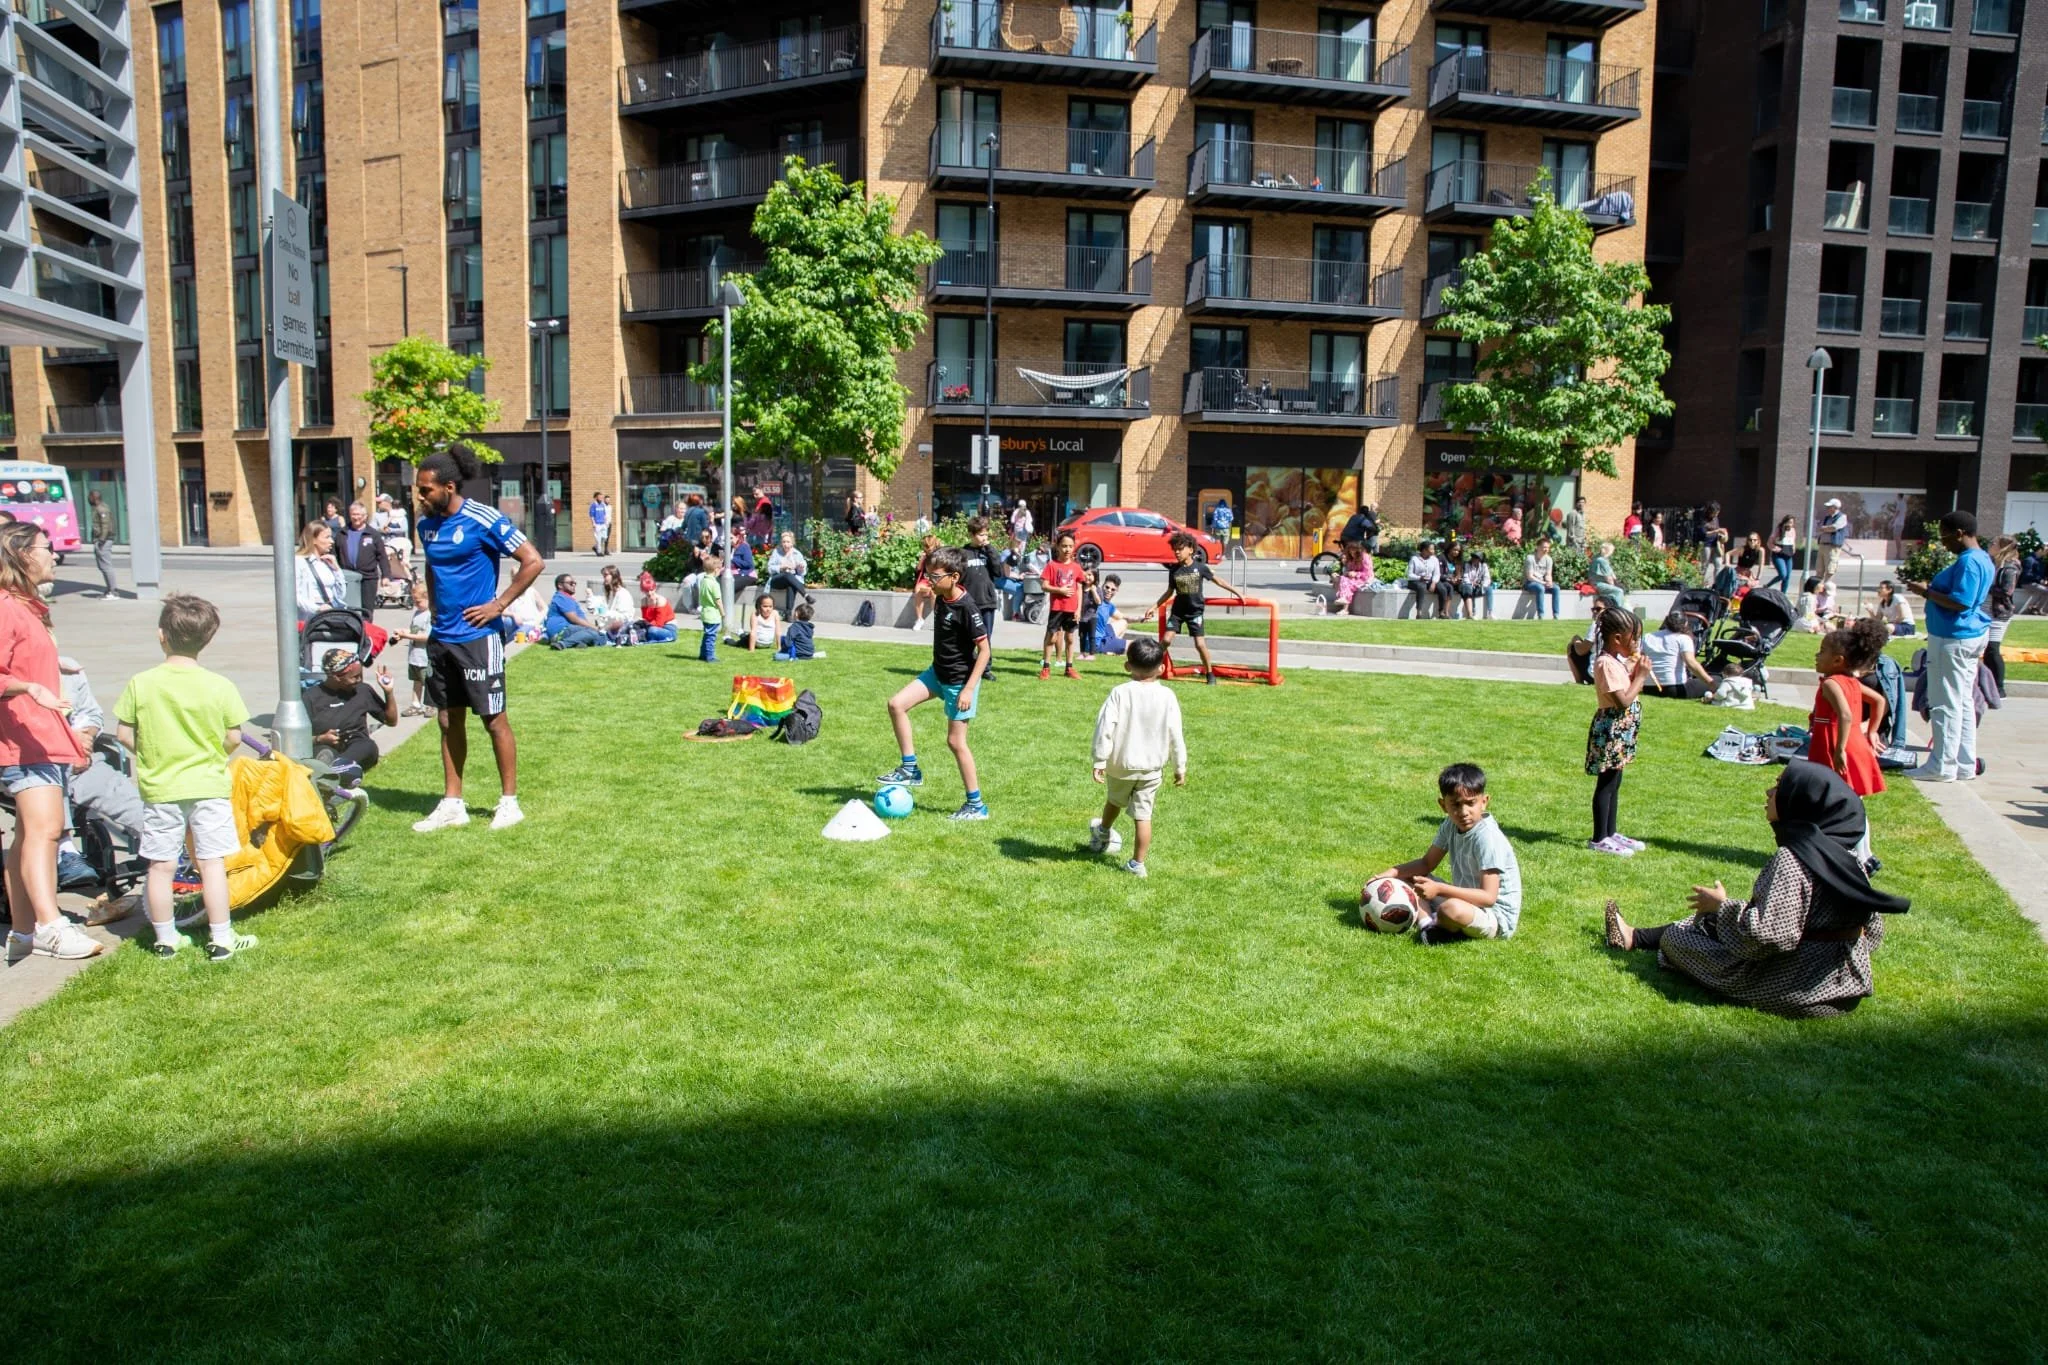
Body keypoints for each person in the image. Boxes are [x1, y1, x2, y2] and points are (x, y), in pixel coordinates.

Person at [1603, 763, 1908, 1017]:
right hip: (1845, 990)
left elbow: (1767, 938)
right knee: (1705, 925)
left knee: (1678, 938)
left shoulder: (1793, 860)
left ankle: (1640, 938)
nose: (1769, 792)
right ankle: (1634, 936)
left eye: (1778, 787)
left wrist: (1722, 907)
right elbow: (1873, 933)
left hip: (1796, 991)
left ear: (1799, 800)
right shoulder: (1848, 858)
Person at [112, 593, 257, 962]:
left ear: (161, 635)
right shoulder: (219, 685)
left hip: (161, 786)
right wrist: (212, 754)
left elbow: (124, 734)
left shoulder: (141, 683)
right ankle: (222, 938)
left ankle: (165, 939)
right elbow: (234, 736)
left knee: (160, 865)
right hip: (208, 784)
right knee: (211, 864)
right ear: (208, 639)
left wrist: (152, 753)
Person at [411, 444, 545, 834]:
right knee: (447, 720)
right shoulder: (427, 525)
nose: (420, 497)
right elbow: (433, 570)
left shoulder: (482, 518)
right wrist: (434, 607)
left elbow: (533, 560)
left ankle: (509, 803)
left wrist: (499, 605)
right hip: (443, 637)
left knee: (493, 720)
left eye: (426, 490)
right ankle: (453, 803)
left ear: (448, 487)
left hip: (478, 639)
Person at [0, 524, 101, 962]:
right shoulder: (6, 606)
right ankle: (50, 926)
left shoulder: (26, 607)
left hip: (36, 736)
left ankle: (23, 932)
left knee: (26, 837)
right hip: (23, 739)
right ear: (22, 555)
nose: (54, 556)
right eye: (47, 548)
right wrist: (29, 688)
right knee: (46, 831)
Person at [878, 547, 990, 820]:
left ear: (953, 577)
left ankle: (976, 805)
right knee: (896, 704)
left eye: (934, 576)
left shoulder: (967, 607)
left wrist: (968, 689)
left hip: (958, 683)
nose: (929, 580)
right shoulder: (940, 598)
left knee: (955, 742)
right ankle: (909, 768)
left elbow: (985, 651)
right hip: (936, 674)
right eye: (927, 574)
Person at [1368, 762, 1523, 944]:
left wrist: (1439, 889)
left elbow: (1488, 898)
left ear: (1484, 802)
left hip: (1495, 917)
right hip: (1467, 902)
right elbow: (1427, 863)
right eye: (1456, 805)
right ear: (1443, 805)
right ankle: (1428, 926)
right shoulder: (1450, 825)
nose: (1463, 812)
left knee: (1451, 909)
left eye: (1470, 803)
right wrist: (1390, 873)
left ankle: (1439, 922)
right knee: (1409, 879)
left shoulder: (1487, 838)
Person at [1901, 510, 1993, 783]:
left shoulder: (1969, 562)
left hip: (1954, 637)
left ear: (1960, 533)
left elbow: (1961, 601)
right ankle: (1964, 763)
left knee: (1944, 702)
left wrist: (1926, 591)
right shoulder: (1982, 558)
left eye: (1945, 536)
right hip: (1966, 635)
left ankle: (1941, 765)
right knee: (1962, 701)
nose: (1943, 543)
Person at [1085, 637, 1186, 878]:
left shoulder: (1120, 693)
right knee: (1143, 815)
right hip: (1151, 767)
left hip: (1121, 764)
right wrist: (1179, 766)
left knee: (1114, 800)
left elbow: (1105, 727)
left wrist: (1100, 760)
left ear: (1127, 666)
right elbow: (1176, 733)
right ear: (1161, 668)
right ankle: (1137, 863)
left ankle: (1104, 830)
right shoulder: (1167, 696)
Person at [56, 658, 145, 891]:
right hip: (31, 767)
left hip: (80, 762)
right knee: (48, 780)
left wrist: (85, 736)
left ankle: (159, 841)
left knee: (120, 792)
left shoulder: (68, 671)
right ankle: (64, 851)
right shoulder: (12, 681)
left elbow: (92, 714)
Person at [1807, 618, 1889, 868]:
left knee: (1838, 802)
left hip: (1836, 743)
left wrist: (1840, 748)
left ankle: (1856, 856)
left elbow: (1844, 714)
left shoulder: (1832, 683)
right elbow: (1879, 703)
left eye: (1822, 652)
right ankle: (1865, 855)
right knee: (1854, 802)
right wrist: (1871, 732)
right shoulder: (1852, 682)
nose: (1816, 656)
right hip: (1855, 742)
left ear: (1838, 660)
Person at [1586, 605, 1652, 857]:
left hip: (1622, 729)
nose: (1637, 643)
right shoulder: (1604, 663)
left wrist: (1636, 671)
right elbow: (1622, 700)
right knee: (1607, 781)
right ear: (1617, 639)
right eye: (1634, 638)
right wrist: (1641, 677)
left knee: (1616, 780)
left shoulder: (1617, 661)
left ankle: (1611, 832)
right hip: (1611, 728)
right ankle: (1598, 837)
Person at [1156, 531, 1241, 685]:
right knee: (1166, 640)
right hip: (1177, 612)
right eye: (1175, 549)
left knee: (1200, 644)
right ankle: (1152, 667)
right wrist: (1154, 607)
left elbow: (1218, 581)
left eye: (1180, 549)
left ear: (1190, 549)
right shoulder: (1174, 571)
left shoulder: (1200, 568)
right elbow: (1169, 592)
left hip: (1195, 612)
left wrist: (1236, 592)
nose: (1177, 552)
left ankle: (1210, 674)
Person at [303, 653, 399, 772]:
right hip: (327, 746)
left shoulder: (363, 690)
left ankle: (333, 769)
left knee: (368, 746)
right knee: (324, 753)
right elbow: (298, 739)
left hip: (357, 744)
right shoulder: (311, 697)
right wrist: (319, 739)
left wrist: (388, 692)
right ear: (337, 677)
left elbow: (391, 721)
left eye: (360, 675)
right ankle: (336, 769)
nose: (359, 680)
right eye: (355, 676)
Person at [958, 518, 1003, 672]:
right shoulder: (963, 553)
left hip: (987, 602)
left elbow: (998, 571)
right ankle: (968, 666)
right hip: (969, 603)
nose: (984, 538)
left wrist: (989, 549)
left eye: (986, 534)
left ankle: (986, 668)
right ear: (971, 534)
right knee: (968, 637)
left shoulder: (989, 551)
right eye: (980, 535)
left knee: (985, 637)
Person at [1642, 608, 1717, 699]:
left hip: (1648, 688)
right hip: (1674, 689)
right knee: (1717, 679)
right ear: (1685, 623)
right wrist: (1710, 682)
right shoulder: (1683, 639)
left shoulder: (1648, 637)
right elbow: (1691, 663)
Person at [1039, 531, 1083, 680]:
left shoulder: (1076, 567)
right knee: (1051, 637)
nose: (1067, 550)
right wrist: (1059, 590)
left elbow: (1079, 588)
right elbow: (1044, 586)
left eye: (1070, 546)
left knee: (1070, 638)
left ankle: (1069, 668)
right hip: (1057, 608)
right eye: (1064, 546)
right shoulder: (1052, 566)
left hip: (1071, 609)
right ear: (1057, 546)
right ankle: (1046, 667)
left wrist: (1078, 609)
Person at [335, 502, 386, 622]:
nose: (356, 517)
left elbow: (382, 556)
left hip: (368, 577)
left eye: (358, 514)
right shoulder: (342, 533)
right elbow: (335, 554)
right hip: (347, 577)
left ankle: (367, 634)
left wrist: (386, 575)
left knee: (366, 610)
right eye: (353, 514)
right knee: (349, 608)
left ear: (365, 516)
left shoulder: (373, 534)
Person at [1984, 535, 2021, 695]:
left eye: (1994, 543)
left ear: (2002, 547)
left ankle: (1999, 688)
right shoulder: (1992, 563)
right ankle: (1988, 686)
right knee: (1985, 649)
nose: (1990, 545)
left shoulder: (2010, 567)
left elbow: (2007, 591)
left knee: (1992, 649)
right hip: (1984, 611)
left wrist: (1985, 588)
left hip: (1999, 613)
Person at [294, 520, 350, 620]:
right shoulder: (299, 562)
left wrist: (337, 570)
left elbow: (340, 595)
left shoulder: (326, 561)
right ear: (313, 540)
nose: (332, 541)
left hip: (331, 615)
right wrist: (317, 608)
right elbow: (295, 595)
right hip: (312, 619)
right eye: (327, 537)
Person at [394, 581, 433, 716]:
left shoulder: (430, 614)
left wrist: (407, 635)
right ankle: (415, 704)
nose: (416, 604)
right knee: (416, 681)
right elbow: (413, 631)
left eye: (419, 601)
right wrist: (402, 633)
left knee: (428, 681)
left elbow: (427, 636)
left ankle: (431, 704)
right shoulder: (417, 614)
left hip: (425, 656)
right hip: (414, 656)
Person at [543, 574, 609, 650]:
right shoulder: (562, 597)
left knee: (599, 636)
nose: (574, 585)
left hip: (568, 630)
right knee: (596, 634)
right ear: (560, 585)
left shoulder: (566, 598)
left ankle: (578, 642)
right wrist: (595, 628)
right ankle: (563, 643)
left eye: (575, 583)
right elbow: (574, 619)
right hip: (562, 631)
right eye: (571, 583)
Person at [584, 564, 636, 638]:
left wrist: (605, 613)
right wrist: (590, 596)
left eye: (606, 575)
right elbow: (592, 609)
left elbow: (625, 617)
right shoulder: (610, 593)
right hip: (604, 628)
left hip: (617, 630)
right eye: (603, 576)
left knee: (585, 635)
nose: (604, 578)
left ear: (614, 576)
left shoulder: (623, 594)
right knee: (577, 629)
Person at [765, 531, 809, 618]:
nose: (785, 544)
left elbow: (802, 573)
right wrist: (781, 567)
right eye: (784, 542)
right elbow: (769, 568)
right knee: (787, 575)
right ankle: (805, 595)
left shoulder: (797, 554)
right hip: (777, 580)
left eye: (788, 542)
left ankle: (788, 613)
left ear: (792, 543)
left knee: (791, 584)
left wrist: (801, 568)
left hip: (790, 580)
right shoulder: (776, 552)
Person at [1405, 540, 1450, 618]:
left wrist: (1433, 583)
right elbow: (1409, 575)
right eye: (1431, 549)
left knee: (1442, 589)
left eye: (1433, 549)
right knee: (1421, 587)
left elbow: (1437, 574)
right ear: (1424, 550)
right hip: (1416, 581)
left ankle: (1441, 612)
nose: (1433, 551)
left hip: (1430, 580)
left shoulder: (1434, 559)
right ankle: (1419, 612)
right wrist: (1419, 578)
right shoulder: (1414, 559)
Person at [87, 489, 117, 599]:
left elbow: (105, 525)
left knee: (106, 566)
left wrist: (101, 540)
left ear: (94, 497)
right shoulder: (99, 508)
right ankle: (110, 589)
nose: (88, 499)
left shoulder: (101, 509)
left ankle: (113, 591)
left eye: (89, 497)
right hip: (101, 540)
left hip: (103, 541)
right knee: (103, 566)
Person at [696, 548, 724, 662]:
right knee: (711, 636)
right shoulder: (714, 584)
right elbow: (718, 600)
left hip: (705, 612)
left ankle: (703, 654)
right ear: (716, 569)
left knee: (706, 635)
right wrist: (723, 612)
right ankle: (710, 656)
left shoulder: (703, 581)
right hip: (713, 614)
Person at [1523, 538, 1561, 619]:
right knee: (1540, 588)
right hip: (1530, 583)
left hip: (1542, 582)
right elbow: (1530, 577)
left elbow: (1548, 574)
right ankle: (1541, 614)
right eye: (1544, 547)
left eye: (1547, 547)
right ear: (1537, 547)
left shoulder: (1549, 559)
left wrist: (1549, 581)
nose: (1546, 549)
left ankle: (1556, 614)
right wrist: (1543, 583)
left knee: (1556, 588)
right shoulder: (1530, 558)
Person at [1332, 542, 1375, 613]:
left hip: (1364, 579)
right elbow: (1349, 571)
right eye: (1350, 552)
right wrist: (1347, 573)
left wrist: (1356, 574)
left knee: (1345, 582)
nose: (1352, 553)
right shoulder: (1351, 559)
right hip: (1353, 579)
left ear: (1358, 550)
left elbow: (1368, 573)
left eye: (1354, 551)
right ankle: (1343, 603)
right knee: (1339, 578)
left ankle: (1344, 607)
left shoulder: (1365, 557)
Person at [636, 571, 678, 644]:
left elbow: (659, 623)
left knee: (652, 631)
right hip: (652, 626)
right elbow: (646, 619)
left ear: (655, 588)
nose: (649, 593)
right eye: (646, 591)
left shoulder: (660, 601)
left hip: (668, 628)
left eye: (651, 590)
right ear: (643, 590)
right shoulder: (644, 601)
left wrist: (646, 623)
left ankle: (663, 637)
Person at [1815, 498, 1849, 583]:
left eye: (1829, 507)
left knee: (1830, 570)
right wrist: (1824, 529)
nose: (1827, 509)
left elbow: (1834, 527)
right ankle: (1818, 588)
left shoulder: (1842, 517)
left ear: (1835, 507)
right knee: (1819, 569)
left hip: (1832, 547)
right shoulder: (1827, 518)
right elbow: (1819, 528)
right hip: (1822, 545)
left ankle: (1826, 589)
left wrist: (1824, 528)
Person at [1454, 548, 1493, 620]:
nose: (1473, 559)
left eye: (1476, 558)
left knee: (1489, 589)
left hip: (1478, 586)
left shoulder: (1483, 566)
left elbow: (1487, 578)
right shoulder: (1467, 565)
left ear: (1480, 560)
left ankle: (1490, 613)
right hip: (1468, 585)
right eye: (1473, 557)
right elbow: (1465, 577)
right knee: (1469, 588)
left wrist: (1483, 586)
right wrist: (1472, 583)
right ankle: (1473, 612)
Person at [1589, 540, 1626, 609]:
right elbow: (1608, 578)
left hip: (1595, 582)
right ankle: (1618, 610)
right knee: (1619, 591)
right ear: (1608, 551)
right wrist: (1615, 585)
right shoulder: (1602, 561)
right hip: (1598, 584)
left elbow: (1612, 574)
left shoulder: (1598, 557)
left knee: (1620, 589)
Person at [1771, 514, 1799, 590]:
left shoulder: (1793, 530)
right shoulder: (1779, 529)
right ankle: (1768, 585)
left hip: (1788, 555)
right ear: (1784, 522)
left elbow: (1793, 541)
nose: (1790, 524)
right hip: (1779, 555)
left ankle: (1783, 594)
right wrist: (1775, 548)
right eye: (1789, 522)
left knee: (1787, 577)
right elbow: (1770, 542)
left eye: (1792, 523)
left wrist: (1793, 547)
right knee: (1783, 574)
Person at [589, 491, 612, 558]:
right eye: (599, 497)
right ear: (596, 497)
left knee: (604, 537)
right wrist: (593, 523)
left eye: (601, 497)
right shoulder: (593, 505)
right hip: (597, 524)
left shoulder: (602, 505)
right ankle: (599, 552)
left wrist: (606, 523)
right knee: (598, 539)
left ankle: (595, 547)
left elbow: (604, 514)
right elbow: (592, 515)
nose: (601, 498)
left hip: (603, 523)